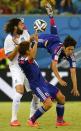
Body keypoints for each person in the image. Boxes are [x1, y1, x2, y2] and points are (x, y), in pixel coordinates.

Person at [29, 2, 80, 120]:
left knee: (55, 32)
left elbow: (73, 72)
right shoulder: (58, 50)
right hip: (46, 41)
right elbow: (53, 66)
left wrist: (75, 87)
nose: (71, 52)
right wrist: (59, 79)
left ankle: (51, 16)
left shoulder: (70, 55)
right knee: (30, 41)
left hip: (55, 39)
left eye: (73, 50)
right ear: (64, 48)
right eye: (69, 50)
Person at [18, 37, 70, 127]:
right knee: (48, 104)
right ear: (27, 52)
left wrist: (32, 41)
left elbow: (33, 62)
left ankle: (60, 121)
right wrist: (35, 42)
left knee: (61, 97)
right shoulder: (23, 61)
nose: (31, 48)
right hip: (37, 85)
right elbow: (33, 56)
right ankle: (31, 120)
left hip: (43, 82)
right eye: (30, 48)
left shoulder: (25, 57)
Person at [4, 17, 39, 126]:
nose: (23, 26)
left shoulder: (25, 33)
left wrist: (32, 39)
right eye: (20, 24)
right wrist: (17, 48)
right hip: (16, 67)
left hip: (27, 65)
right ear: (15, 27)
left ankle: (32, 119)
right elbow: (9, 57)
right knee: (19, 91)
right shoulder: (9, 39)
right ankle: (13, 119)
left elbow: (27, 46)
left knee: (37, 93)